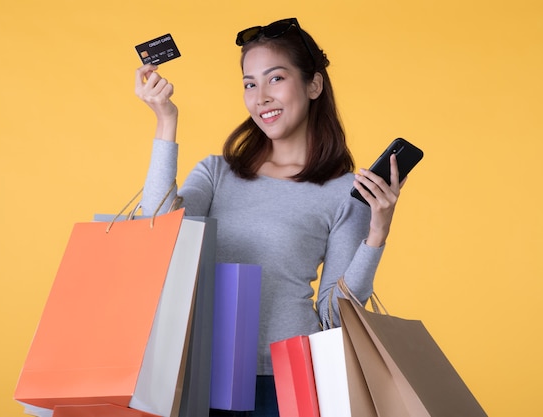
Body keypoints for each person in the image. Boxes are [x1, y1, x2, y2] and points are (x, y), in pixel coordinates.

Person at [134, 17, 404, 417]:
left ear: (313, 85)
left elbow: (334, 316)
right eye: (249, 83)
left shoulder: (344, 193)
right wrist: (165, 121)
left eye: (275, 79)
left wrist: (377, 234)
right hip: (198, 368)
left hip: (290, 379)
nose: (260, 97)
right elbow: (154, 233)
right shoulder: (216, 173)